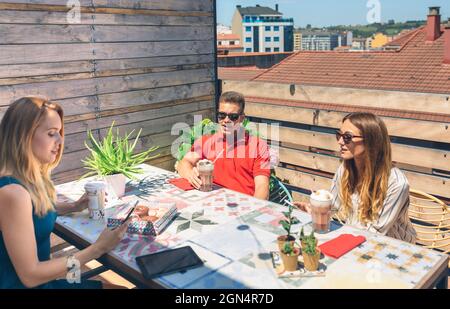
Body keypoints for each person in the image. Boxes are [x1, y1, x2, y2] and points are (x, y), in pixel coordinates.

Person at [0, 97, 132, 289]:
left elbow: (33, 213)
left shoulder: (28, 179)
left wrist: (73, 206)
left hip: (45, 280)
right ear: (23, 136)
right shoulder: (12, 192)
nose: (60, 140)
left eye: (59, 132)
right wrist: (98, 248)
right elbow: (30, 276)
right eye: (52, 133)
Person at [294, 112, 416, 243]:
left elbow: (376, 232)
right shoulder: (345, 169)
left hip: (394, 247)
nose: (340, 141)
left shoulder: (396, 183)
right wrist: (316, 210)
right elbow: (334, 206)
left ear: (370, 141)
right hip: (356, 236)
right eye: (339, 135)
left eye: (347, 137)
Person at [177, 91, 271, 200]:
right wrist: (190, 174)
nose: (226, 120)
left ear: (242, 118)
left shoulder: (258, 146)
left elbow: (262, 187)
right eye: (222, 115)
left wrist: (254, 210)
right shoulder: (206, 141)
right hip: (210, 201)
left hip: (242, 204)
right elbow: (183, 163)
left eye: (233, 117)